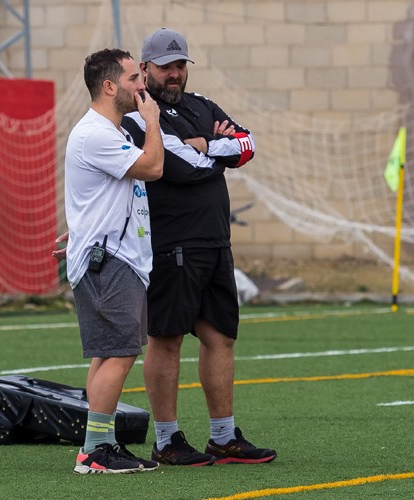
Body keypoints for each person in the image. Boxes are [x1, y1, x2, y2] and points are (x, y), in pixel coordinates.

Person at [121, 28, 277, 466]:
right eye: (165, 66)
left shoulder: (202, 105)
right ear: (146, 69)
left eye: (180, 65)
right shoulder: (138, 117)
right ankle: (167, 440)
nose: (174, 74)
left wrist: (209, 144)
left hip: (214, 241)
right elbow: (179, 166)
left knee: (220, 337)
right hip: (172, 244)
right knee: (166, 339)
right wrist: (216, 153)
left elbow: (248, 144)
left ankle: (223, 437)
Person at [62, 48, 164, 474]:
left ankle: (99, 444)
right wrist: (153, 123)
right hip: (111, 261)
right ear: (108, 87)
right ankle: (95, 451)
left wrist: (78, 232)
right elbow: (153, 168)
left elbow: (101, 195)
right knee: (119, 353)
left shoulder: (111, 131)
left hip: (114, 256)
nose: (141, 86)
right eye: (131, 79)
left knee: (108, 354)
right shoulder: (97, 133)